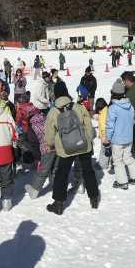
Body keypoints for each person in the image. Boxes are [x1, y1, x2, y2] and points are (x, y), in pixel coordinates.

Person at [44, 81, 99, 215]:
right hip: (82, 144)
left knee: (61, 174)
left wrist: (49, 144)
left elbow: (50, 134)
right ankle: (94, 198)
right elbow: (88, 124)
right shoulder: (78, 107)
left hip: (65, 148)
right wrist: (89, 140)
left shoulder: (53, 112)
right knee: (88, 170)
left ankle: (58, 204)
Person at [104, 78, 135, 190]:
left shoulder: (113, 108)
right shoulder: (129, 106)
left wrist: (108, 136)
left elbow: (110, 124)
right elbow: (132, 121)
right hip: (128, 137)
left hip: (118, 139)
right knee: (128, 157)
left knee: (118, 160)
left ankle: (122, 181)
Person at [24, 106, 57, 199]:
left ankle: (34, 190)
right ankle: (57, 187)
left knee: (43, 170)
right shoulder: (46, 119)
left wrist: (38, 157)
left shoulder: (31, 126)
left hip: (46, 148)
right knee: (56, 168)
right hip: (57, 145)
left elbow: (34, 144)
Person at [92, 98, 111, 171]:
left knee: (104, 150)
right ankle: (111, 163)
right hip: (111, 134)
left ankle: (102, 165)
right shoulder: (107, 110)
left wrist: (103, 135)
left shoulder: (102, 114)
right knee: (110, 149)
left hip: (105, 135)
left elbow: (103, 126)